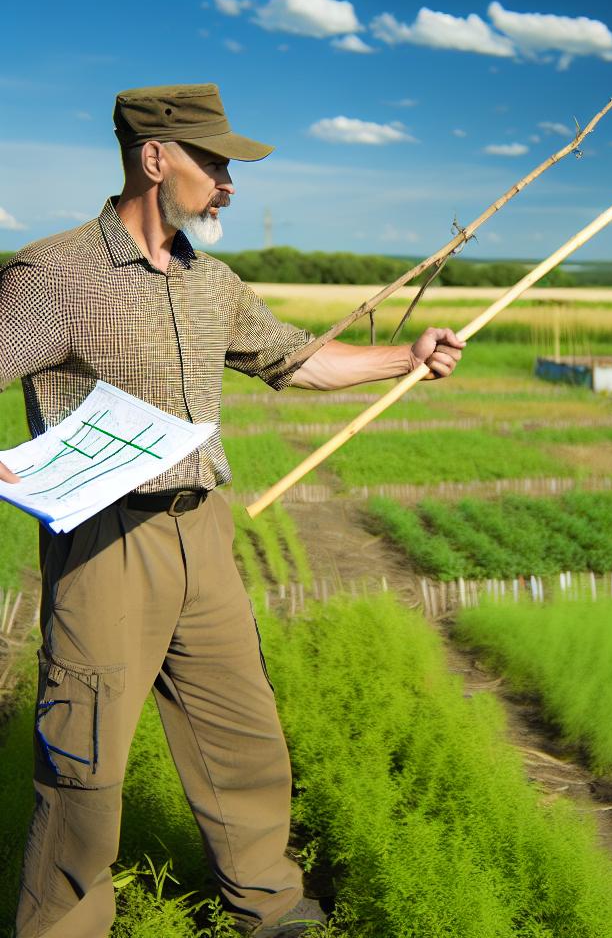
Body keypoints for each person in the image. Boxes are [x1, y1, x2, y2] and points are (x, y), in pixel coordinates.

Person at [0, 83, 465, 938]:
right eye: (212, 162)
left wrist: (408, 354)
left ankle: (270, 907)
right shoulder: (54, 277)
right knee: (86, 762)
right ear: (154, 160)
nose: (228, 182)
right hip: (109, 544)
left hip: (202, 534)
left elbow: (295, 359)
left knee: (242, 736)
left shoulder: (212, 282)